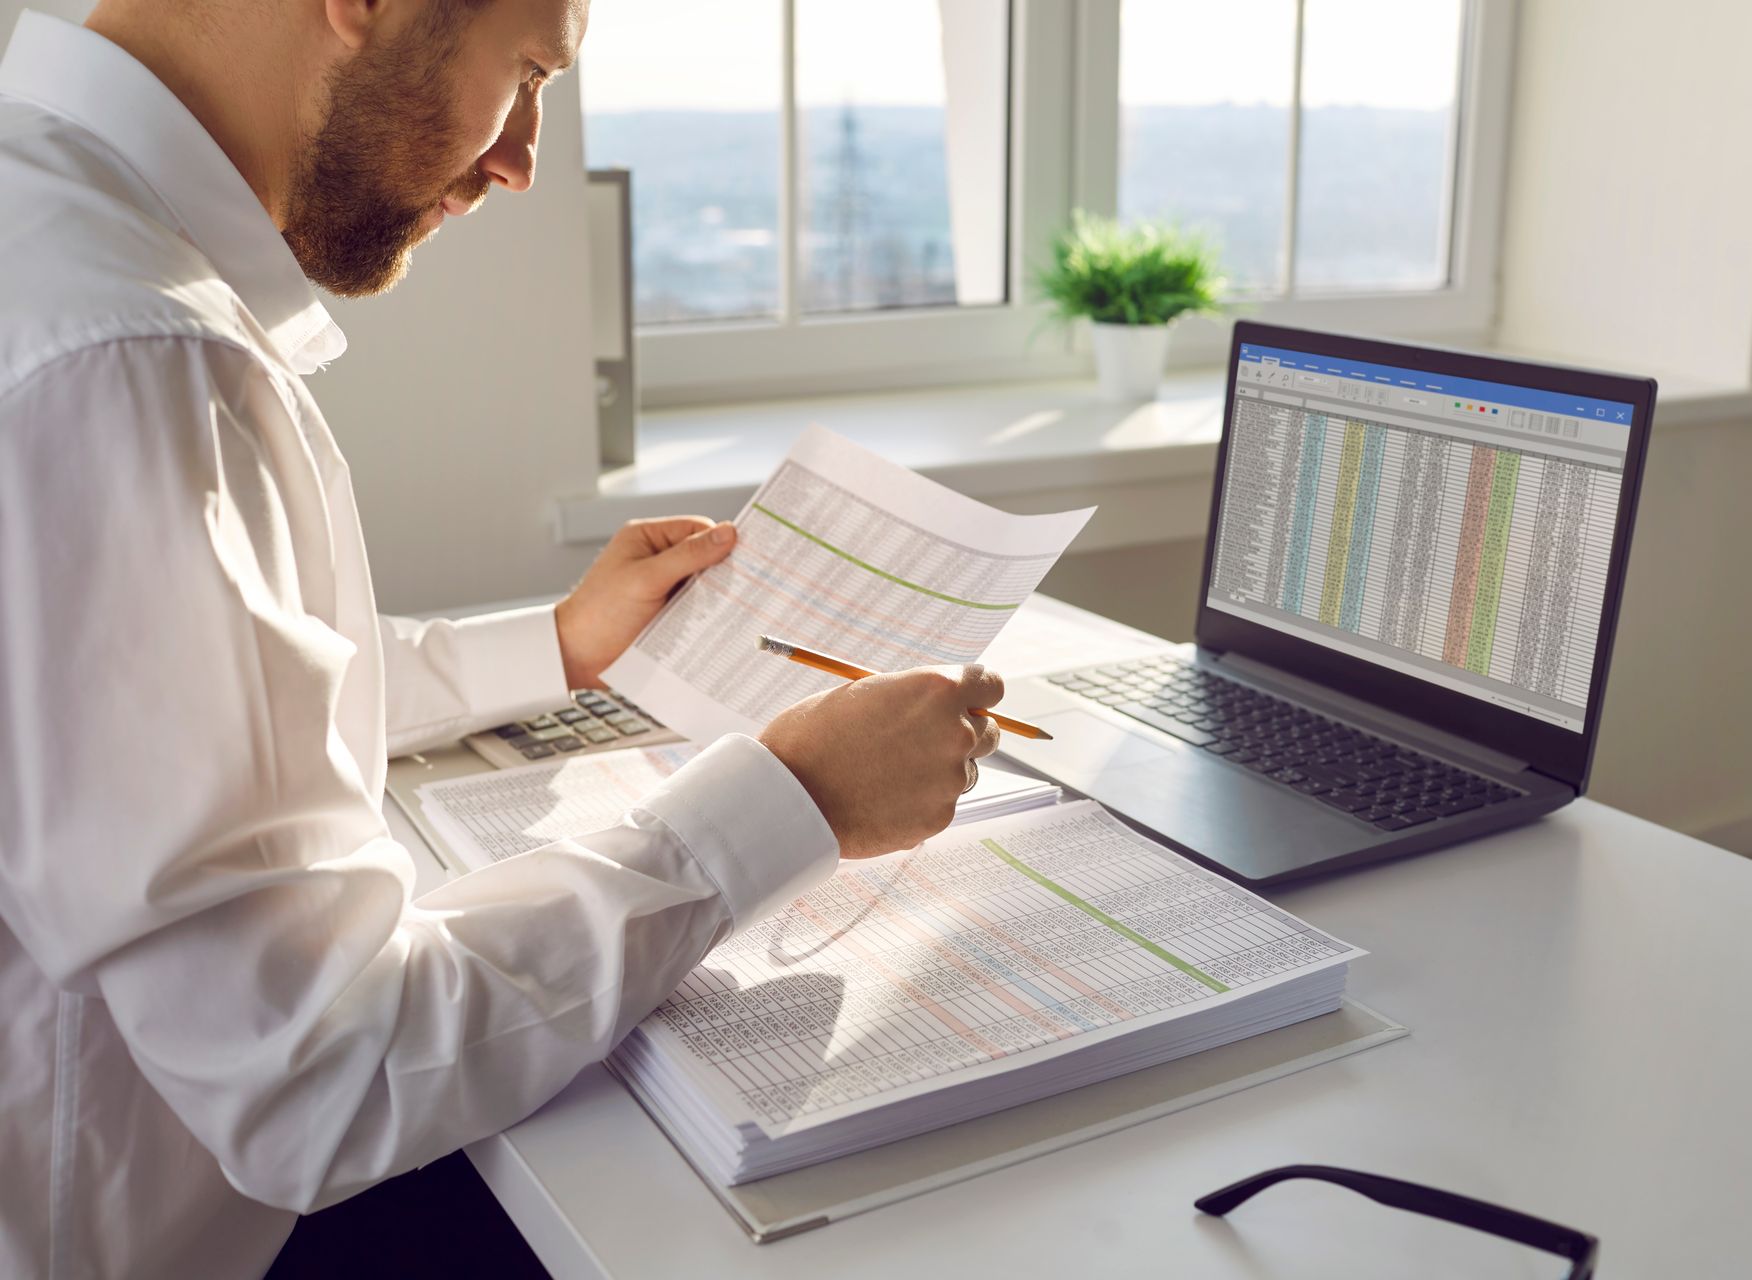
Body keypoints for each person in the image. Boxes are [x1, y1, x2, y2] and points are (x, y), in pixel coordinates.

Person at [0, 1, 1005, 1276]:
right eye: (528, 71)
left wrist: (555, 645)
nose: (524, 155)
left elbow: (156, 695)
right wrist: (795, 796)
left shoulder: (45, 228)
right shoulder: (127, 354)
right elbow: (322, 1076)